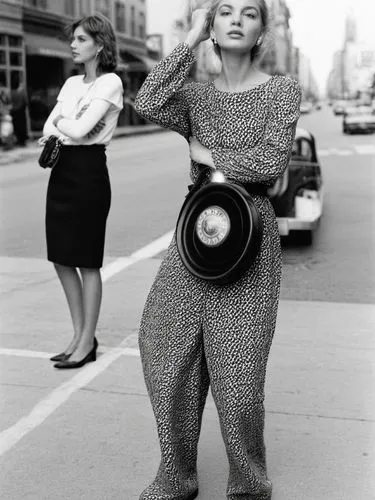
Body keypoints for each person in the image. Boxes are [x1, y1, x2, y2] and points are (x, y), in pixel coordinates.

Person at [134, 1, 302, 499]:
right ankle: (176, 476)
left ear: (261, 32)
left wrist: (210, 154)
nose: (234, 19)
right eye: (223, 11)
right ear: (213, 26)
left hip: (250, 241)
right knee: (162, 346)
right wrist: (188, 38)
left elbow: (270, 161)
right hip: (197, 234)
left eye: (248, 13)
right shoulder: (197, 99)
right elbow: (146, 101)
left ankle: (248, 485)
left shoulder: (281, 90)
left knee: (239, 374)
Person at [40, 14, 123, 369]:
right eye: (73, 38)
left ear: (99, 44)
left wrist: (62, 124)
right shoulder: (72, 83)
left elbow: (80, 129)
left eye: (80, 39)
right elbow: (52, 127)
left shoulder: (111, 83)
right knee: (60, 257)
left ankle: (87, 341)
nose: (73, 44)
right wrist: (63, 125)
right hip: (61, 174)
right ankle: (78, 336)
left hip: (89, 173)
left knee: (87, 261)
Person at [10, 74, 28, 147]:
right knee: (22, 126)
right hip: (21, 111)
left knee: (16, 126)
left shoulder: (10, 92)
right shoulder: (21, 92)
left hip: (13, 112)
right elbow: (25, 102)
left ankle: (18, 140)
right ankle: (22, 141)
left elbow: (8, 102)